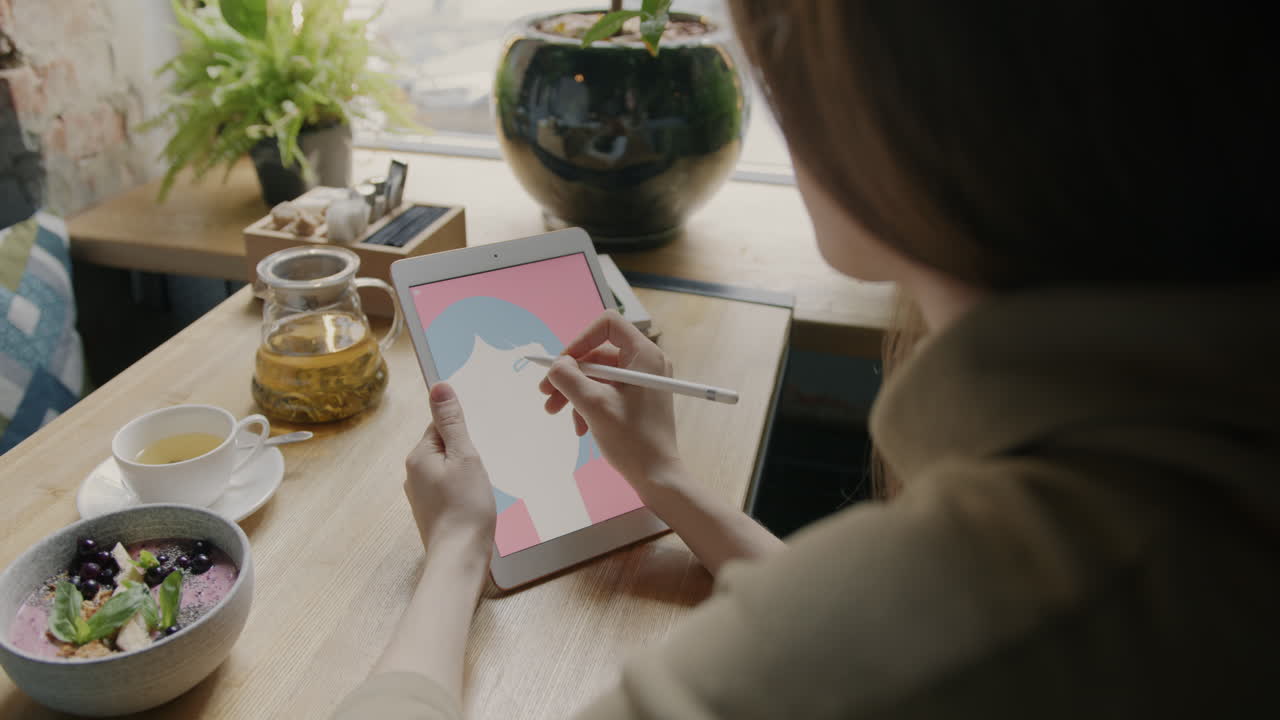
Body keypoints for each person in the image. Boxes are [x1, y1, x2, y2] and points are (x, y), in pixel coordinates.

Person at [335, 2, 1279, 717]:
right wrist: (665, 478)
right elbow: (868, 619)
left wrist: (461, 549)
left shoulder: (923, 627)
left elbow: (872, 634)